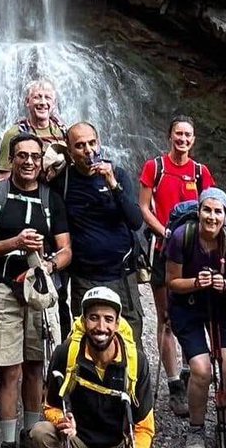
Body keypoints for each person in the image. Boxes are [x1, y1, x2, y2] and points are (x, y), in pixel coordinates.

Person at [0, 132, 73, 448]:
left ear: (40, 160)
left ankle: (30, 437)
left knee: (35, 366)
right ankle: (7, 441)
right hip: (3, 290)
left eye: (34, 156)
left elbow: (66, 250)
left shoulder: (51, 199)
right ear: (12, 159)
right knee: (10, 370)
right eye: (22, 156)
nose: (29, 161)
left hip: (39, 294)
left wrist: (47, 266)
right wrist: (16, 243)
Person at [138, 115, 216, 417]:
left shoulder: (200, 172)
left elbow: (213, 207)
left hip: (195, 253)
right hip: (163, 250)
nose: (182, 139)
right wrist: (164, 231)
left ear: (193, 139)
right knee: (167, 317)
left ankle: (188, 372)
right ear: (170, 136)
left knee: (193, 313)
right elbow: (144, 207)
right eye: (178, 134)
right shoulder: (154, 167)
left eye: (188, 135)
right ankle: (174, 385)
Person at [165, 186, 226, 448]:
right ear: (199, 211)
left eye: (218, 211)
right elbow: (172, 282)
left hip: (221, 305)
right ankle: (196, 428)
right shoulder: (182, 236)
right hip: (187, 305)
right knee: (201, 370)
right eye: (207, 210)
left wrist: (224, 284)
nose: (212, 217)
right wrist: (196, 283)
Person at [33, 285, 157, 448]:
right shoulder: (66, 353)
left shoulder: (136, 362)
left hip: (118, 443)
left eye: (108, 319)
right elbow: (51, 406)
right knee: (41, 432)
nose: (101, 327)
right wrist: (63, 422)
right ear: (84, 321)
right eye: (94, 317)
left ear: (118, 324)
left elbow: (144, 427)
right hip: (78, 441)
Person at [63, 121, 147, 345]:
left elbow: (136, 221)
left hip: (122, 275)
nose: (88, 150)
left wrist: (113, 185)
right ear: (69, 150)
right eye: (80, 146)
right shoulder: (63, 182)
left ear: (99, 143)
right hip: (85, 277)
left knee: (129, 342)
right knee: (89, 345)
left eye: (92, 143)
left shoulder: (118, 174)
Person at [0, 78, 68, 179]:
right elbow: (2, 177)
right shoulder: (14, 133)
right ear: (27, 101)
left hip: (58, 192)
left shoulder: (63, 131)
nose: (43, 102)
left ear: (54, 104)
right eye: (37, 97)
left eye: (48, 98)